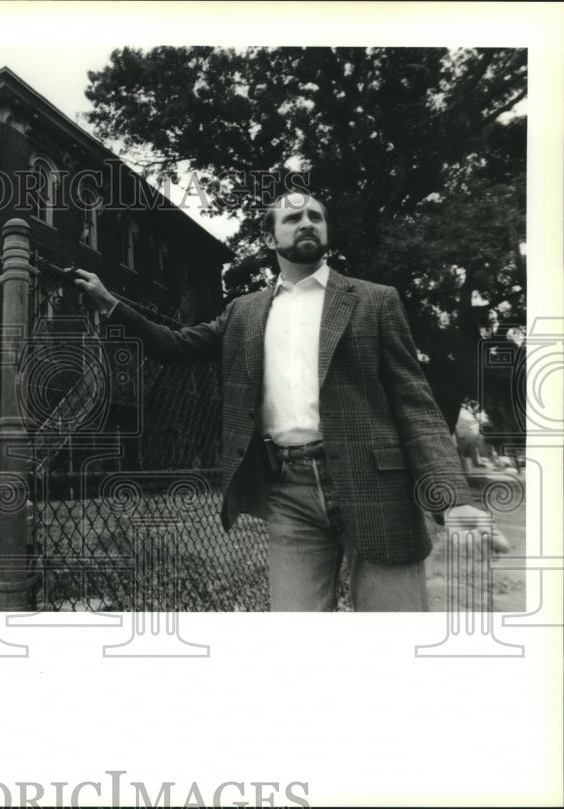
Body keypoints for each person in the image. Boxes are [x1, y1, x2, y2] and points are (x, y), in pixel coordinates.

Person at [73, 191, 498, 611]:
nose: (307, 223)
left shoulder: (375, 299)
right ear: (271, 240)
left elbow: (416, 405)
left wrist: (454, 498)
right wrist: (112, 305)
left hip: (377, 488)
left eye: (316, 216)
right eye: (293, 219)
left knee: (394, 639)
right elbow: (174, 346)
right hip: (288, 493)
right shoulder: (244, 311)